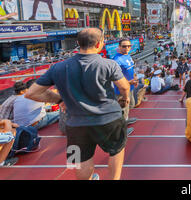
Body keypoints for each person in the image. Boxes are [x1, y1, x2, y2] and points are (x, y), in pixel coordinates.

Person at [25, 28, 131, 180]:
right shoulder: (109, 64)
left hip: (75, 123)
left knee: (80, 159)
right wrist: (125, 98)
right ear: (99, 43)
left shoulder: (58, 67)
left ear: (77, 43)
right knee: (117, 150)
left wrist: (59, 100)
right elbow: (124, 87)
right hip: (109, 119)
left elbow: (31, 93)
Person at [113, 39, 138, 133]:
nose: (127, 48)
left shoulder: (127, 55)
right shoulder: (116, 60)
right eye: (124, 46)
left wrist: (135, 78)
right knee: (122, 110)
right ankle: (122, 131)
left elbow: (131, 68)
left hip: (129, 87)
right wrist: (128, 82)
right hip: (121, 90)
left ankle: (126, 120)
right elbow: (114, 78)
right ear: (119, 47)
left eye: (129, 46)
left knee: (130, 106)